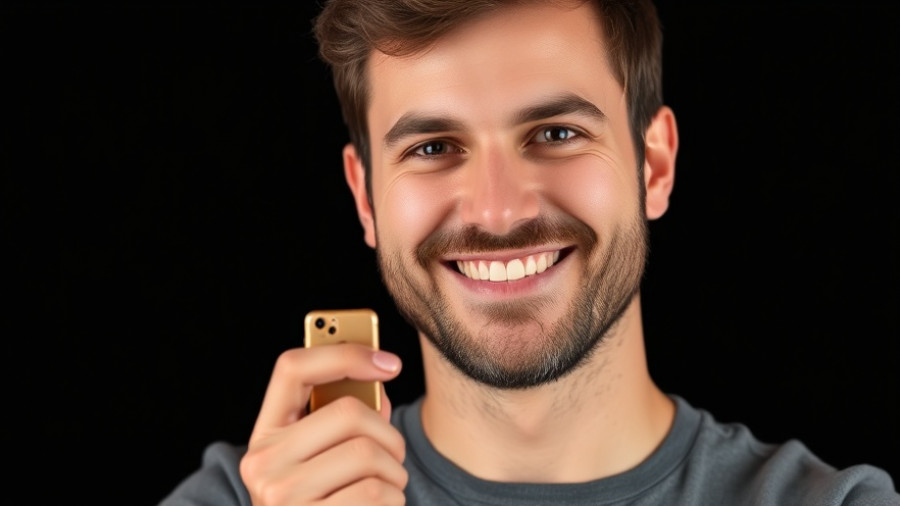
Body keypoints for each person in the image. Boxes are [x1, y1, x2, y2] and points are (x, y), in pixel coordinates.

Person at [160, 1, 899, 504]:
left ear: (655, 166)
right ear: (366, 198)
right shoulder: (251, 497)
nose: (498, 209)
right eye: (434, 147)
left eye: (554, 133)